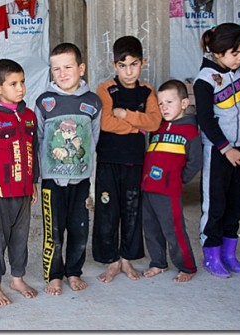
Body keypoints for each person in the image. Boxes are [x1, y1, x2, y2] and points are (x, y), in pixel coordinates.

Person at [92, 35, 162, 283]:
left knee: (132, 211)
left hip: (135, 161)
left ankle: (127, 259)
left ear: (143, 63)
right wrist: (136, 127)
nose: (128, 71)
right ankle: (111, 261)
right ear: (114, 66)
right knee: (107, 210)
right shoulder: (105, 89)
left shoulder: (147, 91)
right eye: (123, 65)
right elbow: (106, 122)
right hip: (108, 160)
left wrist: (126, 114)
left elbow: (154, 121)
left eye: (133, 64)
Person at [34, 43, 102, 295]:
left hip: (81, 180)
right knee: (53, 230)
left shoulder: (93, 102)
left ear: (81, 68)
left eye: (68, 67)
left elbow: (94, 140)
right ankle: (54, 275)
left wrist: (86, 171)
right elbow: (38, 140)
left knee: (79, 229)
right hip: (52, 181)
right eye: (56, 69)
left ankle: (74, 272)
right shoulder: (44, 102)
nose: (62, 74)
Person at [0, 59, 39, 306]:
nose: (21, 88)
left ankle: (18, 278)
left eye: (22, 82)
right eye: (13, 83)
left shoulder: (30, 116)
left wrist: (33, 181)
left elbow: (33, 150)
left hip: (23, 190)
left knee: (21, 237)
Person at [193, 23, 240, 278]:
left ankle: (230, 254)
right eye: (235, 53)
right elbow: (205, 120)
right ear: (218, 52)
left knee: (235, 204)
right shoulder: (204, 80)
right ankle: (213, 255)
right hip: (218, 153)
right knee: (215, 205)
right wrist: (226, 148)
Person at [141, 79, 202, 283]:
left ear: (184, 103)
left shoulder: (190, 131)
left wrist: (179, 179)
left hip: (168, 191)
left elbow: (195, 161)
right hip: (149, 188)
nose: (164, 107)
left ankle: (187, 266)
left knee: (173, 230)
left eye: (169, 102)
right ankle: (158, 262)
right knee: (150, 229)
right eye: (160, 103)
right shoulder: (157, 127)